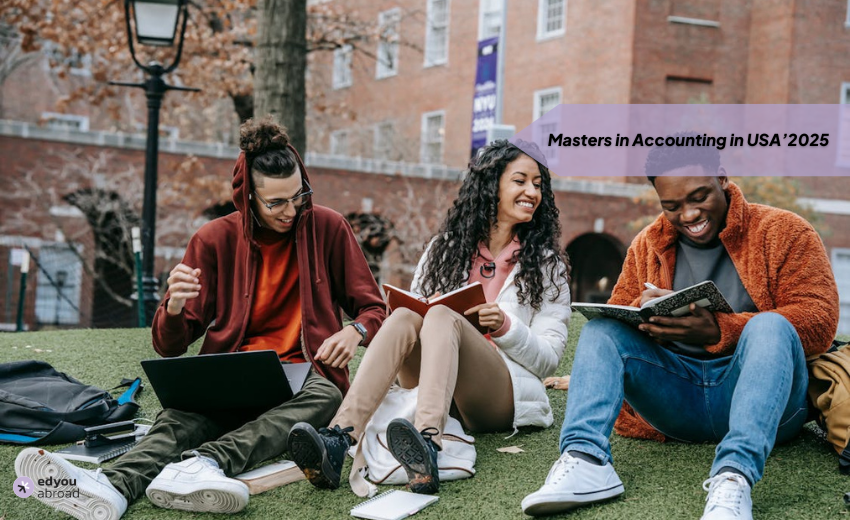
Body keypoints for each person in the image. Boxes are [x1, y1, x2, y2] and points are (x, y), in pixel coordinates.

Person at [15, 117, 387, 520]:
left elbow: (375, 308)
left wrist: (356, 330)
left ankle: (205, 464)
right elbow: (169, 345)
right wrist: (173, 307)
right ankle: (112, 486)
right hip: (233, 371)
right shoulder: (212, 240)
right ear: (248, 198)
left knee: (328, 395)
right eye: (276, 202)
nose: (291, 210)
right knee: (179, 418)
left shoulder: (328, 227)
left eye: (298, 196)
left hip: (303, 373)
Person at [522, 132, 840, 519]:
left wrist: (721, 331)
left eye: (699, 197)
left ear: (722, 178)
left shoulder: (784, 231)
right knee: (601, 330)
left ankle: (733, 478)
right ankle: (585, 459)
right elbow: (620, 313)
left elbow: (819, 320)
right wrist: (645, 312)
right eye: (672, 205)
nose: (688, 215)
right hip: (676, 399)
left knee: (771, 327)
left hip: (765, 403)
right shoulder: (648, 243)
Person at [287, 139, 571, 495]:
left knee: (442, 317)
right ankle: (338, 438)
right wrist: (426, 306)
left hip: (497, 396)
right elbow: (414, 320)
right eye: (520, 181)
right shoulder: (444, 249)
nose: (532, 191)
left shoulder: (546, 265)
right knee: (408, 314)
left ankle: (427, 444)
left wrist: (504, 326)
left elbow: (547, 360)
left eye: (538, 184)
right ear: (491, 185)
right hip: (432, 383)